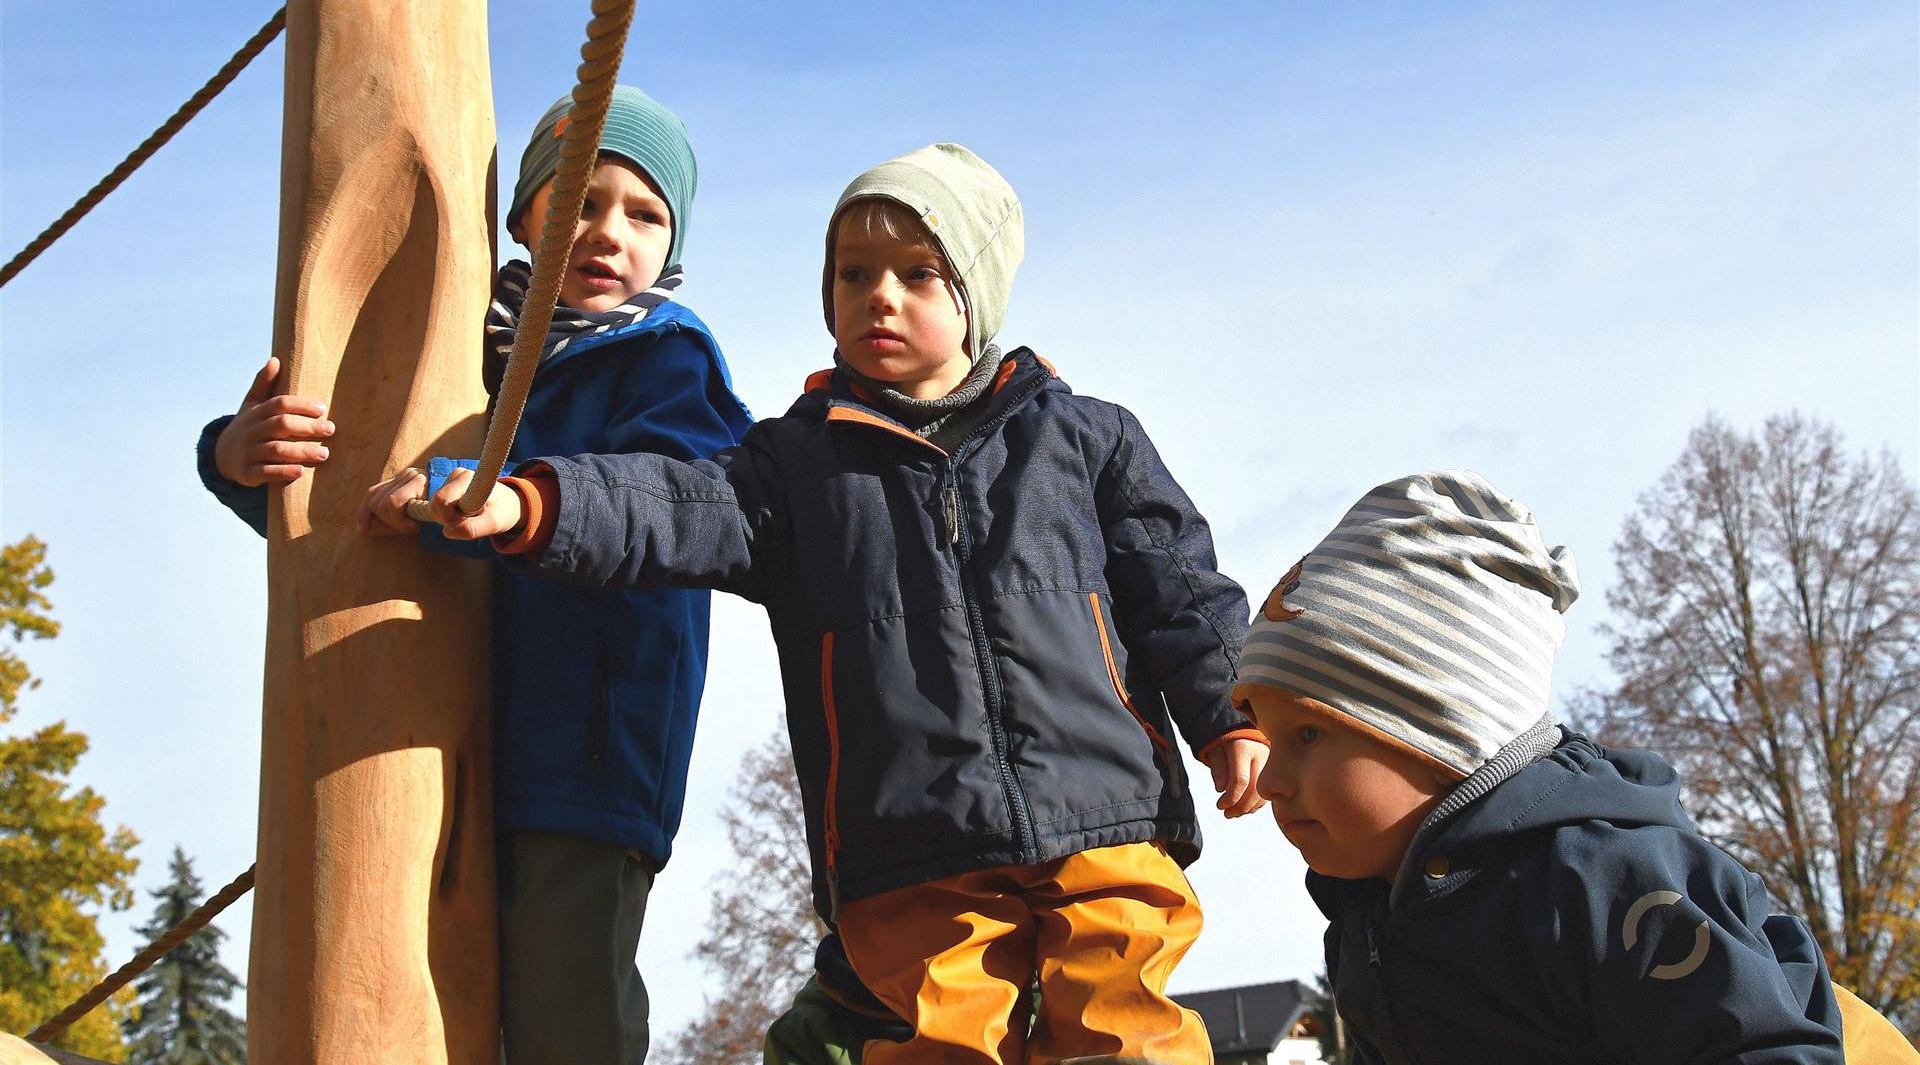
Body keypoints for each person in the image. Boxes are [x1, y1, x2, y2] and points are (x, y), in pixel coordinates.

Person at [406, 142, 1268, 1063]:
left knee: (1125, 1027)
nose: (879, 297)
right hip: (912, 841)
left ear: (975, 299)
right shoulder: (799, 466)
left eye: (918, 275)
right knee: (943, 1043)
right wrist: (532, 502)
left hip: (1105, 811)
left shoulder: (1085, 439)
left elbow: (1180, 587)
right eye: (854, 275)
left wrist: (1232, 713)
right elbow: (673, 504)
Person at [199, 86, 752, 1064]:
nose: (608, 231)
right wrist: (236, 459)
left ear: (674, 245)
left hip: (581, 764)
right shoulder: (462, 346)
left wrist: (503, 494)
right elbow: (359, 514)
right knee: (397, 1003)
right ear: (523, 216)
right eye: (578, 199)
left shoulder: (667, 363)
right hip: (426, 735)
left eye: (644, 214)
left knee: (562, 1019)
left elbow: (675, 504)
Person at [1236, 470, 1849, 1063]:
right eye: (1268, 737)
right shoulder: (1367, 923)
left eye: (1308, 734)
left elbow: (1760, 1044)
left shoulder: (1601, 881)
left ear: (1441, 732)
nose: (1269, 780)